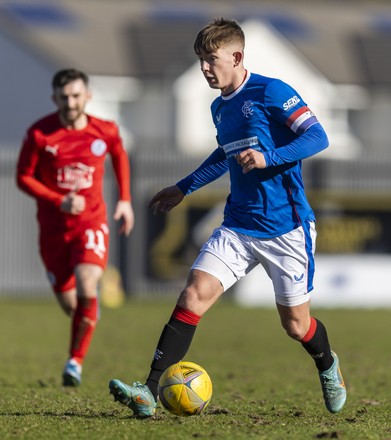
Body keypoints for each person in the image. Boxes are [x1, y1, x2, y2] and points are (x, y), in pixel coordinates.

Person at [109, 18, 346, 416]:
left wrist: (269, 157)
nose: (204, 68)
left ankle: (327, 364)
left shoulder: (272, 91)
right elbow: (225, 153)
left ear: (236, 56)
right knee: (192, 295)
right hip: (238, 224)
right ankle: (148, 391)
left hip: (286, 227)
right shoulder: (220, 106)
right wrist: (183, 187)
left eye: (211, 59)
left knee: (295, 326)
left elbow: (317, 136)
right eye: (200, 60)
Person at [16, 68, 134, 387]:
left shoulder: (104, 130)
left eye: (76, 95)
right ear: (55, 98)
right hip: (54, 231)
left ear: (88, 96)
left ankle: (74, 363)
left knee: (87, 284)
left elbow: (119, 154)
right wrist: (58, 200)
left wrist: (124, 199)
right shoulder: (40, 134)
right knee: (74, 307)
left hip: (91, 222)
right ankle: (84, 332)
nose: (70, 102)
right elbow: (23, 178)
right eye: (64, 97)